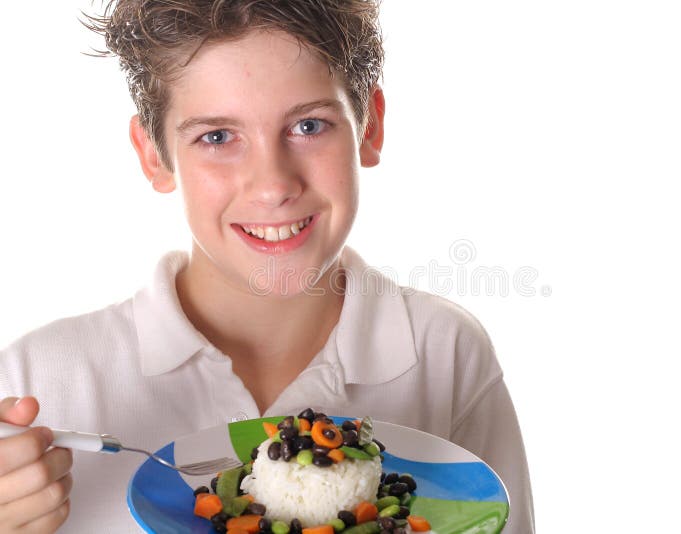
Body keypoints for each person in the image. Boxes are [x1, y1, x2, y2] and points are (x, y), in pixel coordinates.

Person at [0, 1, 534, 532]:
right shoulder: (40, 380)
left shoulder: (445, 352)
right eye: (217, 137)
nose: (274, 185)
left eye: (308, 125)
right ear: (154, 155)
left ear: (368, 127)